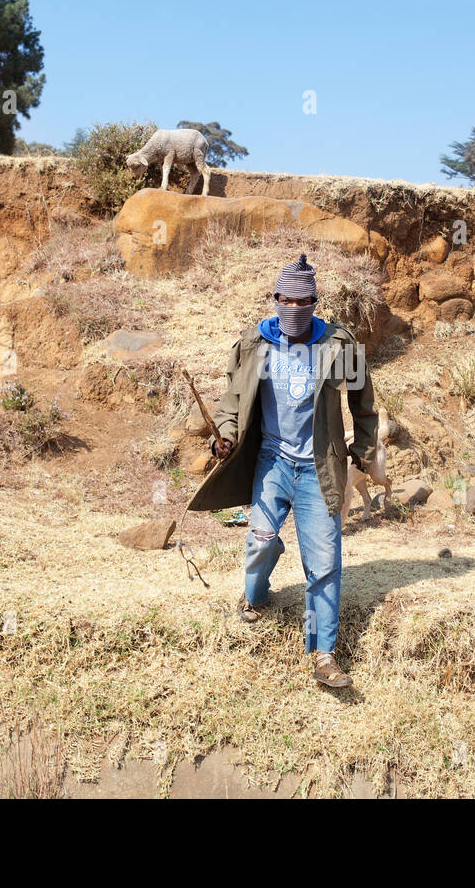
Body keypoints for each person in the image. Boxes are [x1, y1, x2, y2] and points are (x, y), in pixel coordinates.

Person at [186, 253, 379, 687]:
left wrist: (363, 451)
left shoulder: (339, 346)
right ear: (275, 299)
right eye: (286, 301)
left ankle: (323, 654)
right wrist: (226, 435)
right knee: (260, 540)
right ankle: (255, 597)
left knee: (325, 562)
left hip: (319, 466)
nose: (294, 309)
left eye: (303, 301)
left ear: (315, 300)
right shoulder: (254, 345)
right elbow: (231, 402)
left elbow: (363, 405)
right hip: (271, 460)